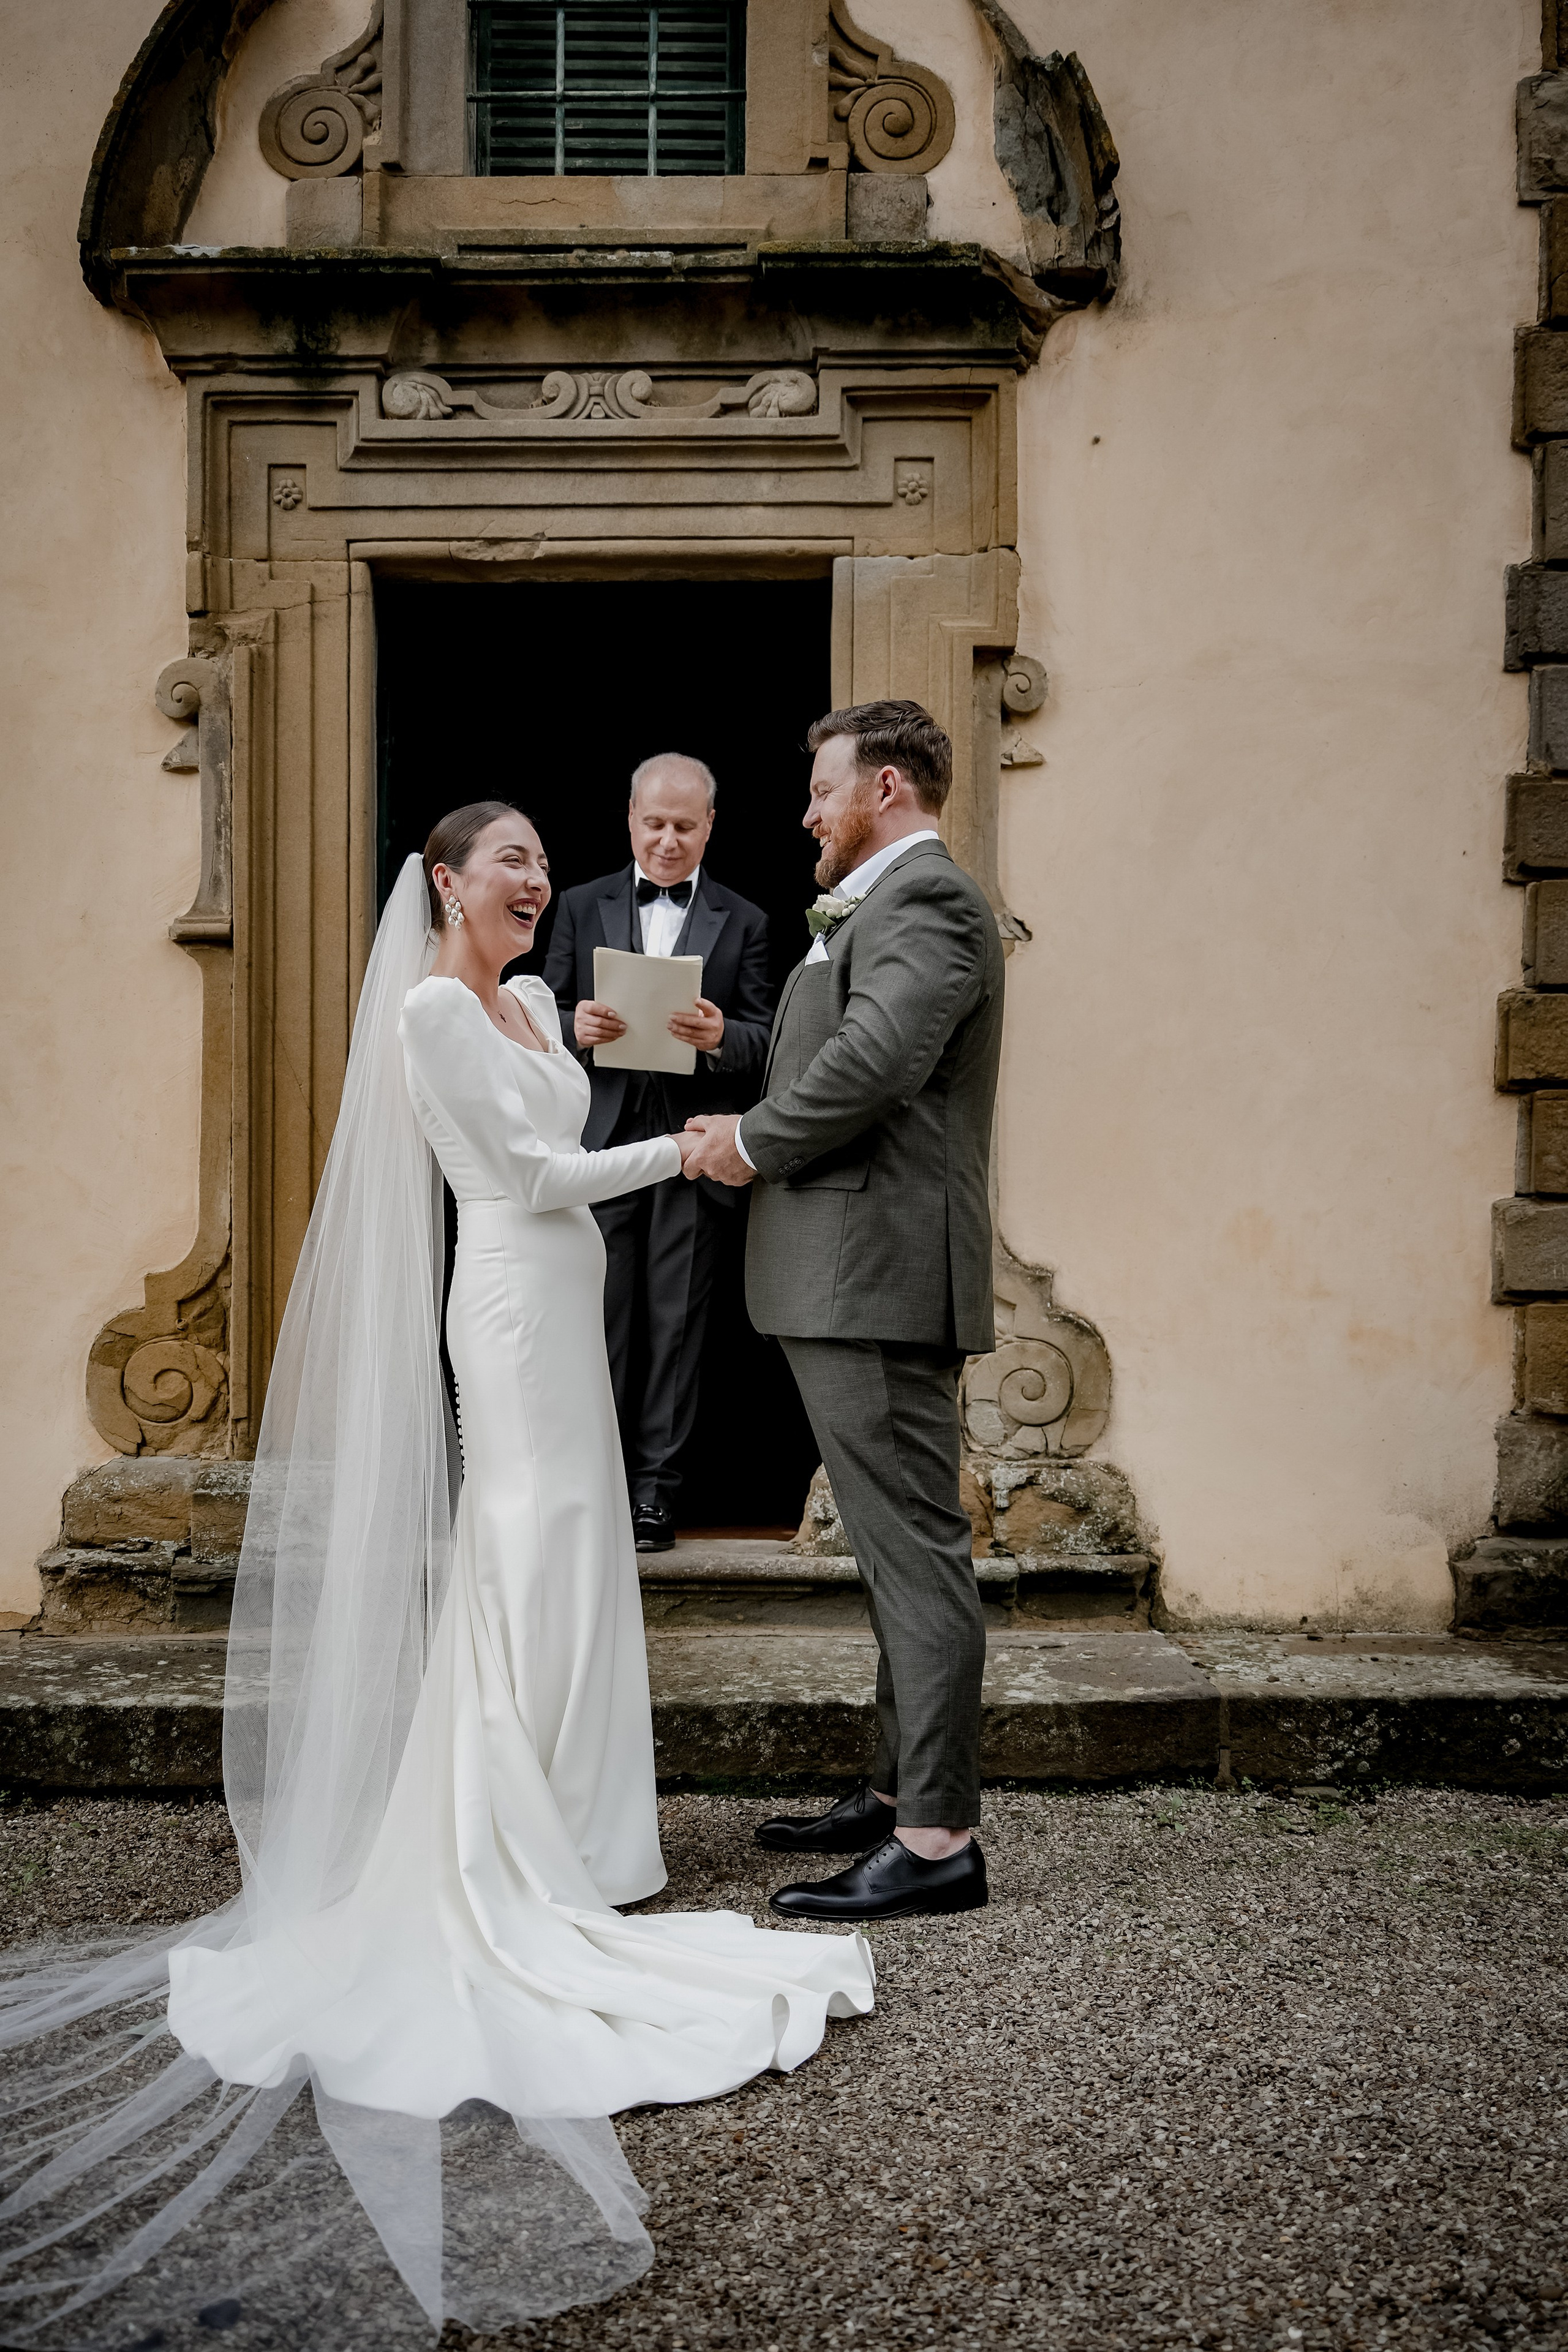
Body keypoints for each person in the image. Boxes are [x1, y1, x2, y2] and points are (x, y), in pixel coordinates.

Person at [0, 804, 872, 2348]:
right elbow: (530, 1175)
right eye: (510, 862)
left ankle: (589, 1840)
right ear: (445, 884)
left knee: (574, 1552)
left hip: (568, 1296)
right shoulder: (420, 1008)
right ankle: (518, 1843)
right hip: (514, 1301)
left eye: (545, 861)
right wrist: (674, 1145)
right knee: (529, 1543)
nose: (534, 882)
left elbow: (565, 1102)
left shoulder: (533, 1001)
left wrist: (631, 1057)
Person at [680, 701, 1006, 1926]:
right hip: (844, 1272)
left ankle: (934, 1843)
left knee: (914, 1555)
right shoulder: (870, 910)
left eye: (820, 791)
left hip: (874, 1274)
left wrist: (751, 1146)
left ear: (883, 787)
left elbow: (874, 1062)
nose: (806, 813)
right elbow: (829, 1046)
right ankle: (890, 1792)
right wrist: (737, 1088)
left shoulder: (926, 901)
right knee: (887, 1549)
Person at [544, 753, 773, 1551]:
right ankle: (591, 1489)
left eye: (684, 826)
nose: (668, 841)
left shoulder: (744, 920)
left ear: (710, 825)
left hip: (690, 1149)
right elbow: (542, 1017)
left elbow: (770, 1039)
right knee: (596, 1323)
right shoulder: (578, 905)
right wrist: (574, 1028)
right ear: (630, 820)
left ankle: (652, 1501)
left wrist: (721, 1037)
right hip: (599, 1145)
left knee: (676, 1327)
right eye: (655, 824)